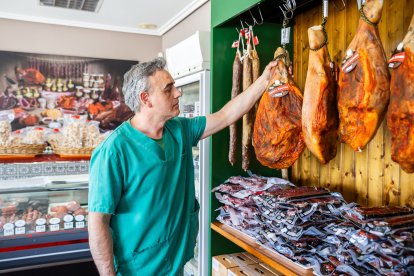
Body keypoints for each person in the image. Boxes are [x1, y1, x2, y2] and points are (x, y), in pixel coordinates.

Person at [88, 57, 277, 276]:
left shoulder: (180, 130)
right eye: (169, 89)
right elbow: (98, 223)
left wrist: (264, 80)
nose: (178, 93)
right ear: (146, 99)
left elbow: (226, 115)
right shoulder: (113, 151)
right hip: (137, 267)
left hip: (175, 260)